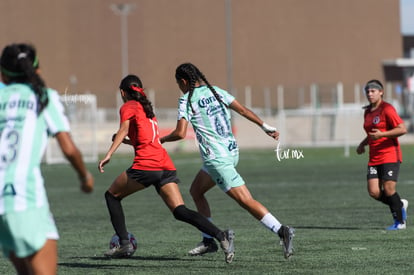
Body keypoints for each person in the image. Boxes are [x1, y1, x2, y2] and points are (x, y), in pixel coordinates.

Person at [160, 62, 295, 259]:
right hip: (231, 152)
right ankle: (208, 241)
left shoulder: (187, 100)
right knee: (196, 191)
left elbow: (180, 133)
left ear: (183, 81)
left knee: (245, 200)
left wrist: (161, 139)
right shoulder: (216, 91)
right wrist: (265, 126)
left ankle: (281, 230)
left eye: (178, 84)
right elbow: (243, 110)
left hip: (217, 159)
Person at [98, 74, 235, 263]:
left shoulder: (128, 106)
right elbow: (146, 142)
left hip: (147, 165)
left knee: (111, 196)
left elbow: (123, 129)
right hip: (164, 165)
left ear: (123, 92)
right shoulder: (147, 110)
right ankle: (221, 235)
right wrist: (125, 142)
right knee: (179, 211)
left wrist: (109, 154)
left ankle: (124, 243)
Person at [0, 43, 94, 275]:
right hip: (24, 199)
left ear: (2, 73)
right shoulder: (44, 97)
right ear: (37, 70)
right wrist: (85, 177)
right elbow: (69, 149)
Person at [356, 79, 408, 230]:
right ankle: (399, 204)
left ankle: (400, 222)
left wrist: (382, 134)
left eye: (373, 91)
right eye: (367, 91)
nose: (369, 94)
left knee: (389, 188)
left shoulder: (387, 109)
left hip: (390, 154)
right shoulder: (367, 111)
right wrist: (362, 144)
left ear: (381, 92)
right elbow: (372, 133)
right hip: (374, 157)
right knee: (373, 191)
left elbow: (402, 129)